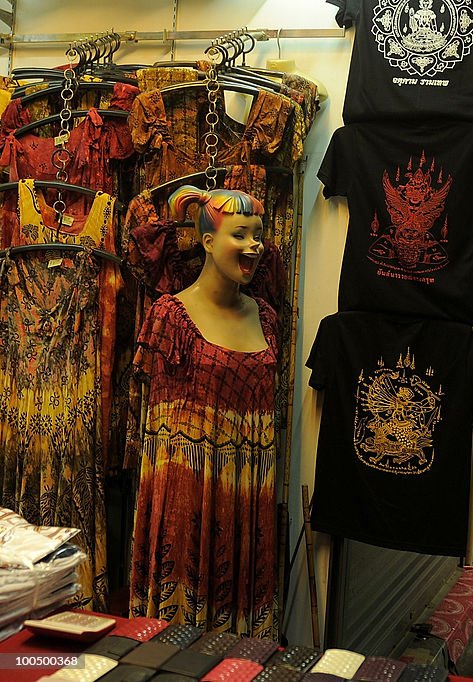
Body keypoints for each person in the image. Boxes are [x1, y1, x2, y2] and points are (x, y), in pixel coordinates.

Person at [129, 186, 279, 638]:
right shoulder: (170, 317)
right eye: (241, 234)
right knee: (179, 649)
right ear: (208, 241)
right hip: (189, 505)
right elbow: (157, 438)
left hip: (252, 503)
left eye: (259, 234)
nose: (255, 245)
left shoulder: (267, 316)